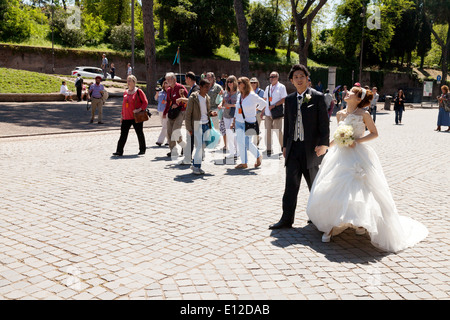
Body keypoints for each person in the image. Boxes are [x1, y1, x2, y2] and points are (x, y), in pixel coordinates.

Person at [306, 86, 428, 252]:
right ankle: (332, 224)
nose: (346, 93)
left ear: (358, 99)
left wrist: (357, 142)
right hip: (339, 155)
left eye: (351, 93)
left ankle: (360, 221)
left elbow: (374, 133)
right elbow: (337, 136)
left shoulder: (364, 114)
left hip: (357, 154)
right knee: (333, 187)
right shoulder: (340, 114)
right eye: (347, 91)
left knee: (361, 188)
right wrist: (325, 147)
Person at [269, 64, 330, 230]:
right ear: (291, 81)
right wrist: (284, 146)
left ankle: (318, 217)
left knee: (315, 186)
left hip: (312, 150)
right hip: (293, 148)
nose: (299, 79)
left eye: (302, 76)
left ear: (307, 78)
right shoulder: (288, 100)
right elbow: (287, 125)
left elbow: (324, 124)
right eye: (295, 77)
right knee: (290, 186)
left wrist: (324, 144)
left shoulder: (317, 97)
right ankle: (286, 220)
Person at [231, 77, 266, 169]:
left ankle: (258, 155)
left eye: (239, 83)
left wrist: (257, 109)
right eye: (237, 83)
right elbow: (237, 109)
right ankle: (244, 163)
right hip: (239, 122)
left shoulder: (252, 95)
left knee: (247, 142)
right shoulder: (239, 95)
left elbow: (264, 103)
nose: (237, 84)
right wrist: (233, 121)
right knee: (240, 142)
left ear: (245, 84)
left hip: (250, 122)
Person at [185, 79, 218, 175]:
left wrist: (211, 113)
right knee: (199, 146)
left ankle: (196, 165)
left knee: (203, 146)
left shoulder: (207, 97)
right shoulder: (193, 97)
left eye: (209, 87)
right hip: (197, 124)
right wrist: (189, 128)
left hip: (206, 124)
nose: (208, 89)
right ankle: (196, 166)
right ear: (200, 86)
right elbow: (188, 114)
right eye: (206, 87)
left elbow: (207, 112)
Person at [113, 75, 148, 156]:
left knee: (139, 133)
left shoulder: (139, 91)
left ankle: (142, 149)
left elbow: (145, 102)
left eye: (130, 80)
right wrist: (122, 115)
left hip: (136, 116)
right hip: (126, 117)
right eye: (127, 80)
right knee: (123, 134)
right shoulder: (125, 92)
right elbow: (124, 105)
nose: (128, 82)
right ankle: (119, 151)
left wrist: (139, 109)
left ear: (134, 82)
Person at [176, 71, 200, 165]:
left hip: (194, 117)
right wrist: (182, 96)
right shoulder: (192, 88)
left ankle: (190, 158)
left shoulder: (196, 88)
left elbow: (191, 101)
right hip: (192, 117)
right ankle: (189, 157)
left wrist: (181, 99)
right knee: (191, 138)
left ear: (189, 78)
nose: (185, 81)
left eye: (185, 79)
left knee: (192, 138)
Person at [262, 71, 287, 157]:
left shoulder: (281, 87)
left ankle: (283, 146)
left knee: (278, 131)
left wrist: (274, 105)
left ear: (277, 77)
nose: (271, 78)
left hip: (277, 113)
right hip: (268, 113)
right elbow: (264, 99)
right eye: (270, 77)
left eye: (273, 76)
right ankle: (269, 149)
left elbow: (284, 99)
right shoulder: (268, 87)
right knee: (267, 131)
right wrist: (262, 111)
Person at [163, 72, 188, 158]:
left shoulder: (180, 87)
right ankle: (173, 150)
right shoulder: (169, 90)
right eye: (167, 79)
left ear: (174, 79)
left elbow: (187, 99)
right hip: (172, 112)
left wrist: (178, 104)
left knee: (175, 132)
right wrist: (164, 112)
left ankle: (184, 147)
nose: (168, 81)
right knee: (169, 132)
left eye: (169, 79)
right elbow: (168, 102)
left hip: (181, 111)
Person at [218, 75, 238, 160]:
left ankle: (237, 152)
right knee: (229, 134)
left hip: (234, 115)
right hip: (226, 115)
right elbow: (223, 102)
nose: (229, 83)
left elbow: (239, 104)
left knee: (234, 134)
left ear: (235, 82)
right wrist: (220, 105)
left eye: (231, 81)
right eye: (228, 82)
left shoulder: (238, 93)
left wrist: (230, 105)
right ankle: (231, 152)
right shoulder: (225, 92)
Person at [250, 77, 265, 146]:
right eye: (251, 82)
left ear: (257, 83)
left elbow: (264, 102)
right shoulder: (248, 91)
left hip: (258, 112)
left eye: (254, 82)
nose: (253, 84)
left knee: (256, 127)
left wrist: (262, 112)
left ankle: (256, 143)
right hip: (250, 112)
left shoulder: (261, 92)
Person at [155, 81, 169, 146]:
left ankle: (160, 141)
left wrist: (166, 102)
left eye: (167, 86)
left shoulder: (170, 92)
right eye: (165, 85)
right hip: (160, 110)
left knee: (164, 126)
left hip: (166, 111)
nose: (166, 87)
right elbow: (156, 99)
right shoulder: (161, 92)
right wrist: (157, 94)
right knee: (164, 126)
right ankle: (169, 140)